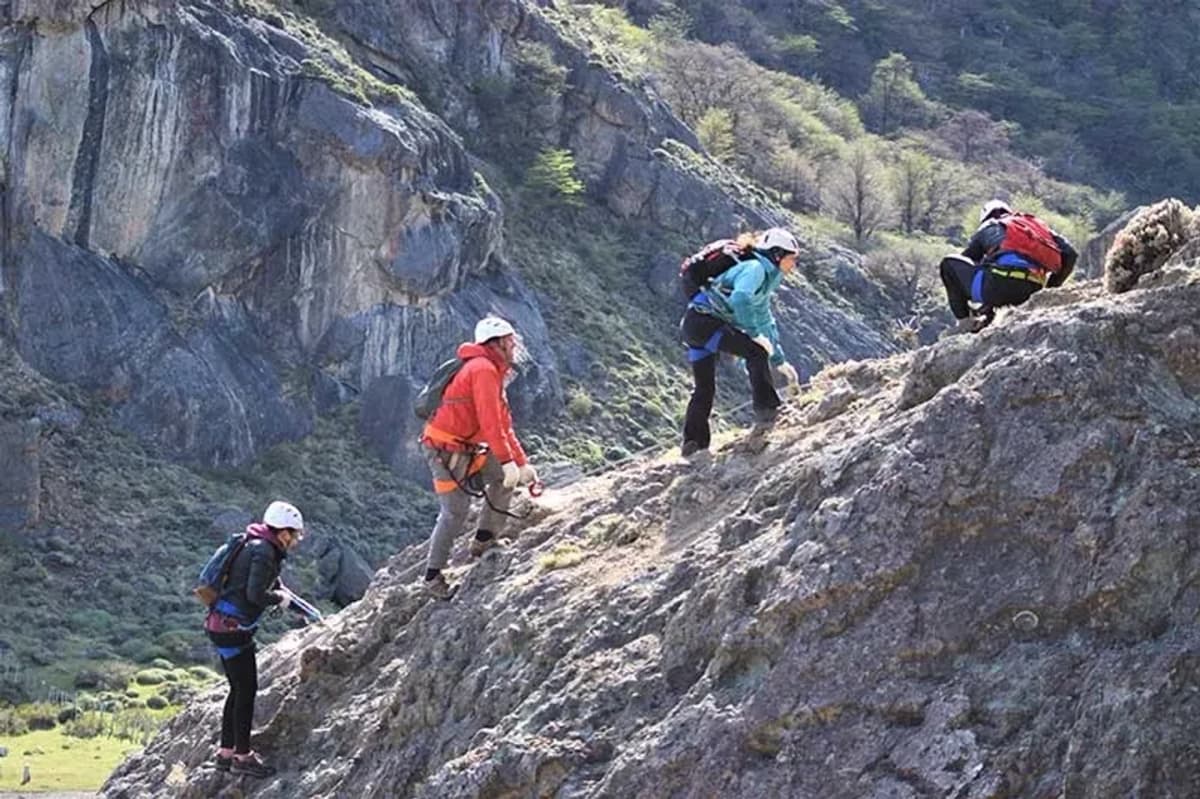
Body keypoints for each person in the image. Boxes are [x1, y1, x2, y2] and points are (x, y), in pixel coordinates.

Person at [420, 316, 536, 599]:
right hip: (444, 451)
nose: (514, 346)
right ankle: (432, 577)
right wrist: (509, 462)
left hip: (466, 449)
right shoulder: (483, 369)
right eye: (509, 341)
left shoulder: (493, 370)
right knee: (454, 511)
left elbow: (503, 424)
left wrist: (521, 463)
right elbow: (489, 423)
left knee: (502, 479)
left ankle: (485, 540)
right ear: (495, 344)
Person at [205, 500, 308, 778]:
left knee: (237, 690)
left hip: (221, 625)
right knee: (246, 692)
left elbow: (265, 583)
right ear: (283, 532)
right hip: (234, 631)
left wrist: (297, 606)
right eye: (295, 534)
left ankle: (225, 754)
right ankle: (242, 757)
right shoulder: (264, 552)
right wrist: (280, 600)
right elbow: (255, 595)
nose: (296, 539)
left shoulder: (255, 544)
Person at [679, 227, 801, 457]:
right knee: (755, 352)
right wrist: (754, 334)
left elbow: (765, 320)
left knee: (704, 388)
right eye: (791, 258)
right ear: (776, 254)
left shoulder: (763, 279)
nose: (793, 264)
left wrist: (779, 359)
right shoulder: (755, 269)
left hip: (694, 325)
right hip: (706, 323)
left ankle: (693, 444)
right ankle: (767, 409)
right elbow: (741, 299)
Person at [940, 199, 1078, 333]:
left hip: (998, 286)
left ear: (985, 217)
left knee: (949, 265)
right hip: (1033, 289)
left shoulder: (989, 225)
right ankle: (988, 312)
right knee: (996, 272)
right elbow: (1070, 254)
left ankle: (966, 323)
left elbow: (967, 263)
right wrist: (1047, 291)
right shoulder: (1036, 227)